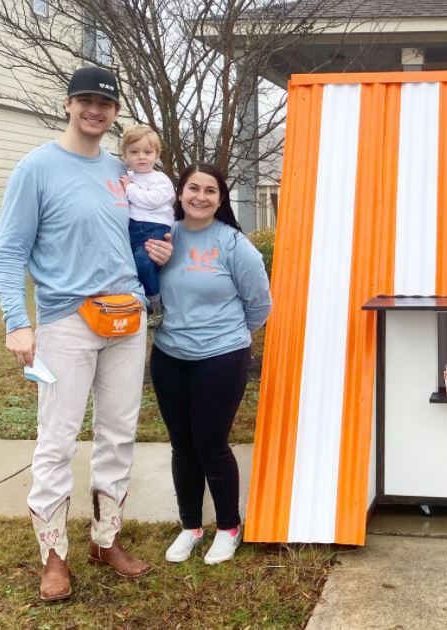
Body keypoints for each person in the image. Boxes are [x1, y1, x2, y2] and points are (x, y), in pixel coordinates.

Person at [0, 66, 172, 602]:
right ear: (69, 104)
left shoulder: (124, 170)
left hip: (125, 319)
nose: (96, 110)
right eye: (87, 100)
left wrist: (154, 255)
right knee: (58, 439)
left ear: (116, 113)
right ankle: (53, 555)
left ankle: (105, 539)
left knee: (118, 434)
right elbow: (9, 253)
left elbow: (144, 228)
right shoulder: (37, 168)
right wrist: (17, 323)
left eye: (106, 104)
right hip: (67, 321)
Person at [149, 163, 271, 565]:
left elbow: (259, 305)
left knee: (211, 444)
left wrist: (227, 337)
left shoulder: (234, 245)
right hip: (169, 355)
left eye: (210, 191)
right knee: (182, 446)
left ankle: (228, 527)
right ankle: (190, 527)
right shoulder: (162, 235)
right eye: (193, 188)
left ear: (221, 199)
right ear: (179, 194)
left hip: (221, 357)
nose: (200, 197)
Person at [119, 124, 175, 327]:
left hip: (154, 229)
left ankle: (156, 304)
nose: (141, 157)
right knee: (132, 266)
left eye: (147, 152)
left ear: (157, 154)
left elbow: (152, 200)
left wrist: (130, 189)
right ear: (125, 155)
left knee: (143, 261)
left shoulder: (160, 179)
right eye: (134, 152)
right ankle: (136, 305)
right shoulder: (128, 177)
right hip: (132, 228)